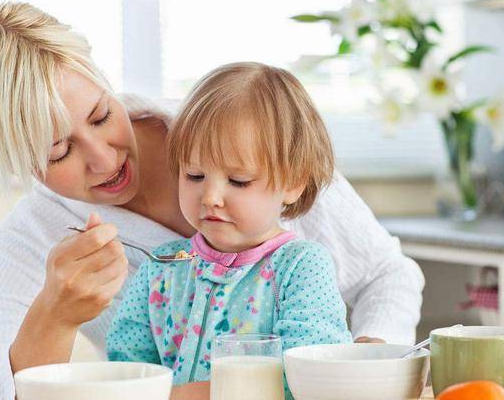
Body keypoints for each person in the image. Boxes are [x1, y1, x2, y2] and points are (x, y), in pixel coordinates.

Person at [0, 2, 424, 400]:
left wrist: (358, 369)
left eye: (99, 115)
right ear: (17, 161)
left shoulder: (250, 129)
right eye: (58, 151)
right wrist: (54, 313)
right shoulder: (34, 237)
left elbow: (386, 274)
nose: (102, 158)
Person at [106, 62, 353, 398]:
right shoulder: (162, 266)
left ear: (294, 183)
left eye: (238, 181)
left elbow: (313, 378)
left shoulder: (301, 268)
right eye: (194, 175)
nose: (210, 197)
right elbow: (127, 366)